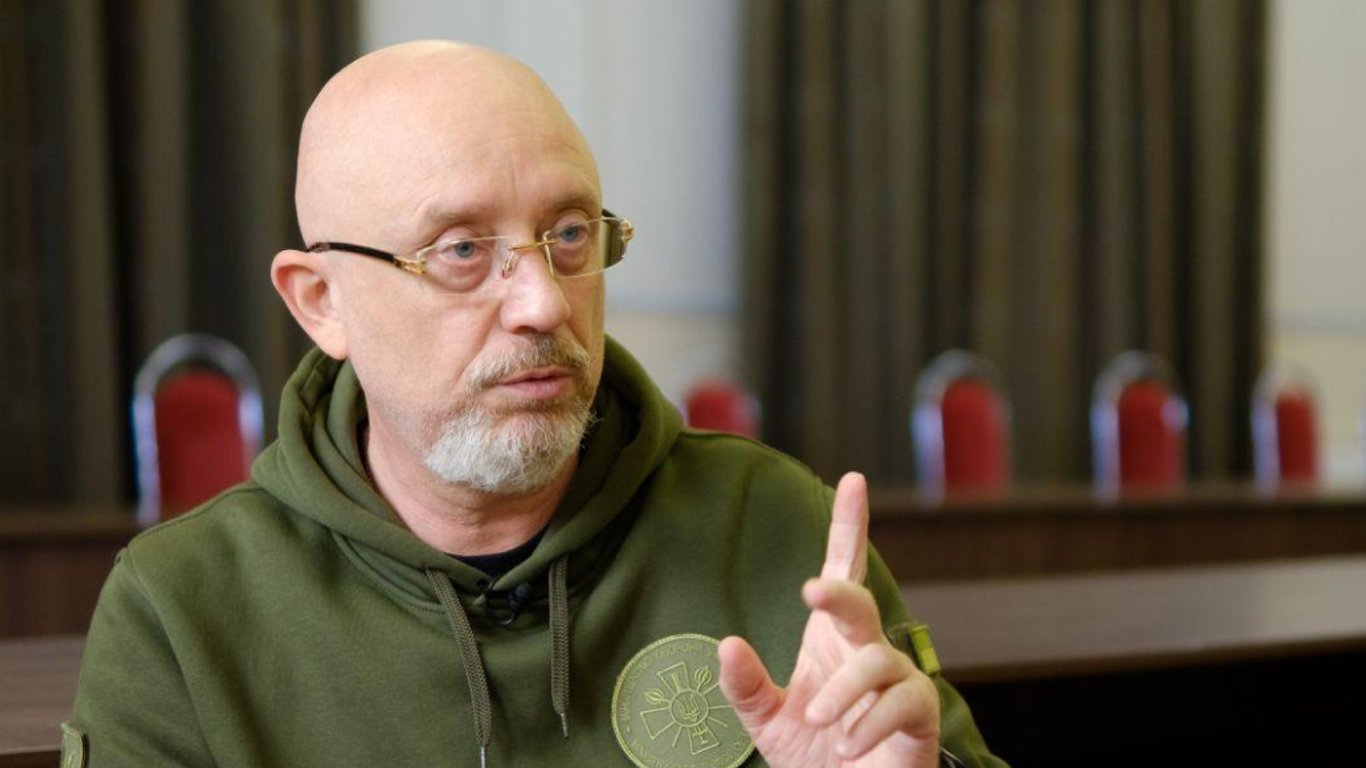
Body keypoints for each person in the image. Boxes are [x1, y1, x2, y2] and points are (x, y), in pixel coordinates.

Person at [66, 41, 1005, 768]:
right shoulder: (181, 611)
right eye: (461, 251)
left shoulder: (779, 527)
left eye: (568, 234)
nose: (545, 304)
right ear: (322, 303)